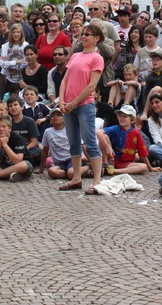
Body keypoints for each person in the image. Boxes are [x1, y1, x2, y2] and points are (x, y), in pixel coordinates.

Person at [58, 24, 105, 194]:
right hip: (69, 106)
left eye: (88, 34)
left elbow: (91, 85)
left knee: (90, 141)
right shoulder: (76, 55)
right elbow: (65, 80)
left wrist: (73, 103)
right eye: (83, 34)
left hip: (84, 105)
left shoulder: (97, 58)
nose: (84, 36)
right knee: (73, 143)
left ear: (96, 38)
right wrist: (62, 101)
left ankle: (97, 180)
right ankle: (76, 178)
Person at [97, 104, 159, 176]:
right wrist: (107, 147)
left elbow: (143, 154)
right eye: (120, 116)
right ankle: (105, 165)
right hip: (112, 160)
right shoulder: (116, 128)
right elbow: (99, 132)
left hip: (127, 163)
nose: (122, 118)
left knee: (144, 167)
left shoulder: (136, 133)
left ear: (132, 120)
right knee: (104, 136)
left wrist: (150, 167)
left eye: (125, 116)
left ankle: (115, 171)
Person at [0, 23, 28, 95]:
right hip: (9, 80)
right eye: (14, 32)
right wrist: (17, 62)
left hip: (22, 80)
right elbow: (2, 64)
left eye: (18, 32)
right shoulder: (5, 46)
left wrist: (8, 62)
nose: (16, 34)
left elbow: (26, 63)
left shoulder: (25, 45)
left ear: (21, 33)